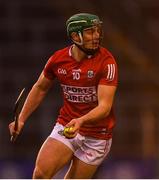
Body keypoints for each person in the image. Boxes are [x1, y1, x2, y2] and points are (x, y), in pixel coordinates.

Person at [9, 13, 118, 179]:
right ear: (75, 35)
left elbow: (104, 107)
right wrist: (22, 118)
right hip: (66, 125)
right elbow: (40, 88)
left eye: (97, 31)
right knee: (40, 175)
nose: (96, 36)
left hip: (97, 136)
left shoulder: (107, 62)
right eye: (90, 32)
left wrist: (81, 121)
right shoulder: (58, 59)